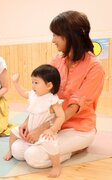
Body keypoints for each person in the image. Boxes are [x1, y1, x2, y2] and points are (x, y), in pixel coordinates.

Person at [10, 10, 105, 177]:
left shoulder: (94, 67)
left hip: (78, 129)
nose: (52, 40)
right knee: (17, 150)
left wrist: (40, 129)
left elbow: (75, 107)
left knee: (34, 157)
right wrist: (28, 121)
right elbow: (41, 94)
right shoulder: (57, 60)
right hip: (52, 126)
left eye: (56, 35)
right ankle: (57, 149)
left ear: (71, 36)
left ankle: (77, 149)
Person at [4, 65, 65, 177]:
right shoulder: (33, 95)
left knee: (50, 144)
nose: (33, 86)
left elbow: (61, 116)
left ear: (49, 85)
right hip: (30, 128)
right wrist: (16, 83)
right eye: (32, 82)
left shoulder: (52, 99)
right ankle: (10, 151)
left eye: (36, 83)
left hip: (43, 132)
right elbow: (23, 93)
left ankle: (56, 166)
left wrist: (52, 129)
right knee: (13, 132)